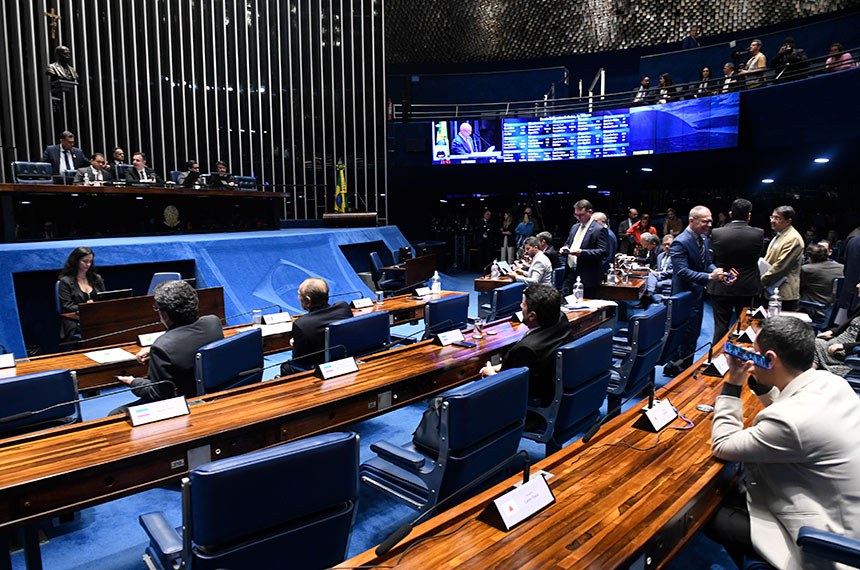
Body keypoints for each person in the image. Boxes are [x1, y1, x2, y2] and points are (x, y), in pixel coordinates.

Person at [709, 316, 860, 569]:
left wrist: (733, 384)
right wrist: (760, 382)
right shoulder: (832, 382)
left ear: (770, 359)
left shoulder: (789, 423)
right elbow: (791, 404)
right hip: (845, 509)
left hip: (826, 535)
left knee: (710, 514)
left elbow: (723, 444)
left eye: (756, 355)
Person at [113, 281, 223, 413]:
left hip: (183, 404)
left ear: (164, 314)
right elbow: (186, 342)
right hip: (213, 394)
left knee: (115, 415)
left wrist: (133, 382)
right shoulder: (213, 322)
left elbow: (158, 395)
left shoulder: (162, 348)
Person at [480, 284, 574, 404]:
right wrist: (501, 367)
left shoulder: (526, 349)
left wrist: (492, 375)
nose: (520, 306)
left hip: (531, 401)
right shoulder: (561, 320)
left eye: (523, 304)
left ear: (532, 316)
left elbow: (513, 389)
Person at [666, 206, 728, 375]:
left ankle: (682, 368)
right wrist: (709, 278)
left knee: (692, 336)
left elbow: (706, 264)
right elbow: (682, 272)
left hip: (697, 295)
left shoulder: (703, 239)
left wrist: (718, 272)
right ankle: (681, 372)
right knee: (684, 337)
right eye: (705, 221)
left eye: (711, 221)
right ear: (692, 220)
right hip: (683, 297)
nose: (709, 224)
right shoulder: (680, 241)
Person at [707, 198, 764, 343]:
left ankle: (715, 360)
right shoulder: (758, 233)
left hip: (722, 285)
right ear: (749, 216)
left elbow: (711, 260)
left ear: (730, 214)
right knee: (746, 328)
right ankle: (742, 362)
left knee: (720, 328)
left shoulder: (717, 233)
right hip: (747, 287)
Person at [280, 278, 352, 375]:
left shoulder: (302, 324)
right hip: (345, 360)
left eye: (299, 294)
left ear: (308, 300)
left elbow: (299, 359)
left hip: (322, 369)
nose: (298, 297)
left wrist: (296, 343)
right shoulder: (343, 308)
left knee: (286, 367)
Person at [560, 199, 610, 297]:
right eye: (576, 215)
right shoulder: (574, 227)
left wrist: (582, 252)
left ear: (590, 212)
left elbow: (604, 251)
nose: (578, 218)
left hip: (587, 276)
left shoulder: (599, 229)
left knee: (584, 308)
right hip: (570, 272)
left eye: (581, 215)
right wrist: (564, 248)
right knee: (564, 303)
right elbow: (568, 243)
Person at [57, 246, 105, 343]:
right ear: (76, 261)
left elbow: (104, 299)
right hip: (76, 321)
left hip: (96, 318)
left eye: (90, 262)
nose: (88, 264)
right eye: (84, 261)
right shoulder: (65, 281)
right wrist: (85, 307)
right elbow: (67, 306)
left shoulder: (96, 279)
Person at [762, 205, 804, 311]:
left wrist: (761, 280)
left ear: (788, 221)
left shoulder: (793, 238)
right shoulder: (779, 235)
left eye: (777, 218)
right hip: (772, 289)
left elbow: (781, 266)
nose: (773, 221)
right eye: (772, 217)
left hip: (784, 294)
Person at [814, 282, 860, 377]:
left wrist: (845, 346)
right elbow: (848, 322)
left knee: (814, 344)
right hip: (840, 340)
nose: (857, 285)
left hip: (851, 350)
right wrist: (832, 331)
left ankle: (806, 380)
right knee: (808, 343)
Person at [800, 243, 844, 323]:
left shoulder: (807, 269)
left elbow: (797, 287)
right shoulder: (841, 267)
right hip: (836, 312)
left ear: (809, 257)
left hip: (813, 310)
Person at [632, 233, 661, 308]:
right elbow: (648, 260)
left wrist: (652, 270)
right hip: (652, 271)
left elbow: (658, 265)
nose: (645, 247)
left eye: (647, 245)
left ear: (654, 244)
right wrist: (635, 259)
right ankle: (643, 301)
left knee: (644, 279)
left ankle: (646, 301)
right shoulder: (652, 250)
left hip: (657, 273)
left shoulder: (660, 251)